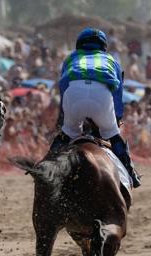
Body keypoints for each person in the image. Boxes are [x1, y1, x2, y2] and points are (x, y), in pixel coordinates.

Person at [51, 28, 141, 188]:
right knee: (113, 135)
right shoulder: (111, 60)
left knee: (66, 134)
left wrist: (64, 118)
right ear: (103, 46)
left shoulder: (71, 58)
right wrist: (117, 119)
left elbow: (63, 85)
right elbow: (118, 92)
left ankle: (48, 170)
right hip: (101, 96)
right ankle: (131, 173)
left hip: (74, 93)